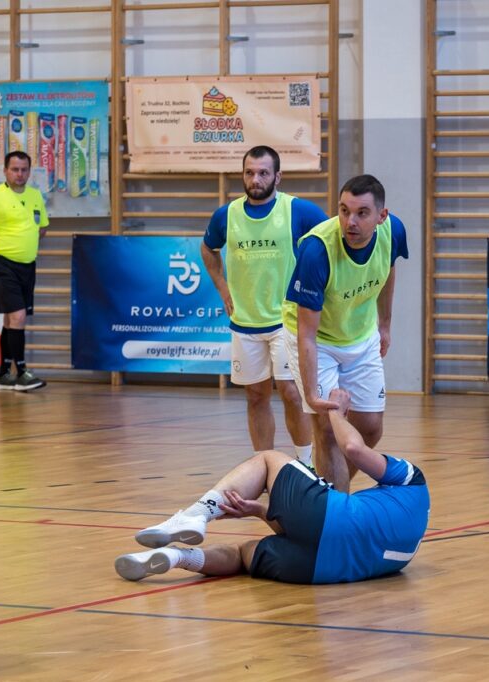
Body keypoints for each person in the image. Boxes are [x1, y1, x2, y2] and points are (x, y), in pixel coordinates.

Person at [114, 388, 429, 584]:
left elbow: (355, 449)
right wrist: (260, 511)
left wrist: (337, 412)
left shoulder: (412, 479)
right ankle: (176, 558)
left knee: (268, 459)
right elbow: (322, 537)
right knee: (242, 555)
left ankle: (196, 515)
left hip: (327, 519)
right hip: (316, 572)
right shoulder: (406, 553)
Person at [200, 146, 327, 466]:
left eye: (263, 173)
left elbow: (331, 243)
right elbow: (208, 249)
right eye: (249, 172)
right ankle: (264, 465)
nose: (255, 179)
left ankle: (306, 464)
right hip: (245, 322)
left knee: (291, 392)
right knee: (256, 396)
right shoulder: (226, 215)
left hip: (287, 321)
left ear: (277, 177)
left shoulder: (298, 210)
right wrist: (222, 287)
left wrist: (316, 292)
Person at [282, 174, 408, 492]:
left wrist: (385, 324)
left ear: (382, 216)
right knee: (327, 428)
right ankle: (333, 512)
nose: (350, 221)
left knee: (370, 428)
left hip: (360, 334)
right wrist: (311, 394)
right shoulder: (316, 250)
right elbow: (306, 335)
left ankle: (320, 495)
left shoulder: (393, 232)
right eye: (344, 210)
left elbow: (388, 269)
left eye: (361, 213)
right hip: (317, 340)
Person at [0, 150, 49, 391]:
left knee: (10, 319)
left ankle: (4, 374)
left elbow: (42, 228)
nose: (20, 174)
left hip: (27, 265)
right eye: (15, 169)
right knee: (18, 317)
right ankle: (22, 372)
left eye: (24, 170)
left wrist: (24, 243)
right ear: (5, 171)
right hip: (2, 264)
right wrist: (2, 247)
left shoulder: (35, 195)